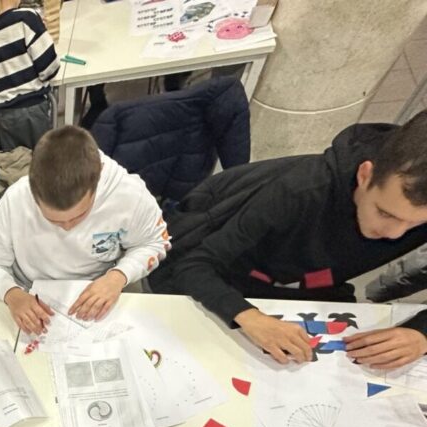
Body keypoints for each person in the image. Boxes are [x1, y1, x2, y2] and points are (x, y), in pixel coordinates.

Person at [149, 111, 427, 369]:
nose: (394, 233)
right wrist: (248, 316)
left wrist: (421, 334)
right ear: (364, 175)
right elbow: (194, 265)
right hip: (235, 272)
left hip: (309, 286)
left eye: (416, 223)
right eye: (384, 213)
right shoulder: (300, 191)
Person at [0, 125, 168, 334]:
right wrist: (12, 294)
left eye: (79, 216)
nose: (67, 228)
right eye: (53, 220)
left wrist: (118, 276)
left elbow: (154, 242)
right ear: (33, 192)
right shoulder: (15, 199)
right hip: (29, 291)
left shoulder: (130, 195)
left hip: (96, 288)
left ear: (97, 182)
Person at [0, 0, 59, 150]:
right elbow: (50, 67)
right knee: (42, 158)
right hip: (34, 108)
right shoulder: (27, 17)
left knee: (16, 160)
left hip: (5, 114)